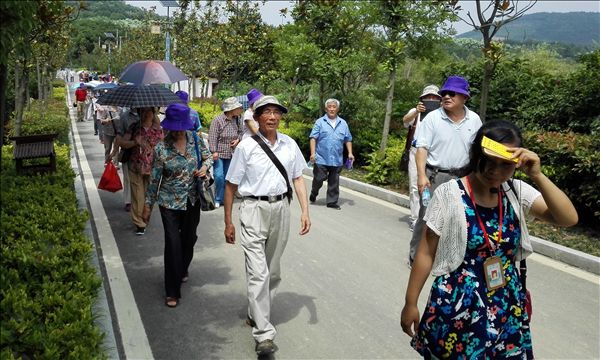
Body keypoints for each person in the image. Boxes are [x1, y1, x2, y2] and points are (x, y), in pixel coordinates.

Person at [400, 119, 578, 358]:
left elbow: (567, 218)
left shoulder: (516, 191)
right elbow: (426, 252)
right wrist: (411, 302)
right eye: (489, 162)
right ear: (476, 155)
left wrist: (537, 175)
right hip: (457, 304)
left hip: (506, 304)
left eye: (505, 165)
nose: (495, 171)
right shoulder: (449, 194)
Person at [223, 95, 311, 356]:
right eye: (266, 112)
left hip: (281, 209)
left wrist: (305, 211)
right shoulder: (246, 148)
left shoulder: (289, 145)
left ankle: (255, 312)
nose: (272, 117)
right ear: (257, 117)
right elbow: (230, 186)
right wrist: (228, 221)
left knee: (272, 271)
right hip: (252, 209)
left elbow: (297, 179)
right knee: (259, 272)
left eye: (276, 112)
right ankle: (263, 334)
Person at [143, 103, 212, 308]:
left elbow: (208, 158)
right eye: (175, 126)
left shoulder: (196, 140)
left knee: (189, 239)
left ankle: (181, 268)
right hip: (169, 202)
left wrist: (203, 168)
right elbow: (154, 179)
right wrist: (148, 205)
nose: (179, 130)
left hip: (192, 199)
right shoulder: (161, 148)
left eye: (182, 126)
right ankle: (172, 290)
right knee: (173, 244)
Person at [408, 75, 482, 264]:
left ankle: (447, 258)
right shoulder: (433, 118)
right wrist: (422, 175)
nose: (446, 97)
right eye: (444, 93)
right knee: (426, 218)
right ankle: (416, 257)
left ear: (465, 97)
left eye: (452, 93)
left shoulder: (474, 120)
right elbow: (421, 148)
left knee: (457, 219)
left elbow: (478, 150)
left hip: (463, 177)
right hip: (435, 177)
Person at [402, 85, 442, 231]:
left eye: (435, 98)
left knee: (433, 188)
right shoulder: (416, 111)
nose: (431, 100)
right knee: (414, 186)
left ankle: (430, 219)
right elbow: (405, 121)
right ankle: (415, 218)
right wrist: (416, 112)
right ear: (422, 99)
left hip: (433, 153)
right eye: (428, 97)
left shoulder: (443, 113)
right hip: (415, 150)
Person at [123, 107, 164, 235]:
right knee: (137, 195)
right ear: (139, 113)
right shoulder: (134, 127)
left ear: (153, 113)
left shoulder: (158, 130)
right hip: (135, 166)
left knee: (149, 195)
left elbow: (164, 148)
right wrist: (135, 142)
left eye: (149, 111)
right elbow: (123, 143)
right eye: (143, 111)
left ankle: (145, 217)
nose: (146, 114)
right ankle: (139, 223)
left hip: (152, 168)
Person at [308, 98, 354, 210]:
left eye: (334, 107)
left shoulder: (343, 123)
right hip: (321, 158)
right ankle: (314, 192)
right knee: (319, 178)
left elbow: (348, 139)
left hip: (337, 158)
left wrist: (350, 153)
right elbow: (313, 138)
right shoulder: (320, 122)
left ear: (337, 109)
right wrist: (313, 153)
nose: (332, 109)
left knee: (334, 180)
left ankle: (332, 202)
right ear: (326, 108)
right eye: (330, 106)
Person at [208, 97, 244, 208]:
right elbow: (212, 137)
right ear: (231, 109)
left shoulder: (238, 119)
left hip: (231, 153)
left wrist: (238, 139)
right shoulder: (218, 120)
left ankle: (225, 198)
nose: (240, 110)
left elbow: (241, 132)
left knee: (228, 177)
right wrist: (214, 151)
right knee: (219, 176)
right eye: (238, 108)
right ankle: (218, 198)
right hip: (219, 153)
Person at [115, 107, 140, 212]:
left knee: (141, 178)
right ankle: (128, 201)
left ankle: (140, 199)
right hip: (128, 151)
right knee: (128, 178)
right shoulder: (124, 116)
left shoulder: (147, 114)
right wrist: (113, 152)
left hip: (143, 153)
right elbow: (119, 135)